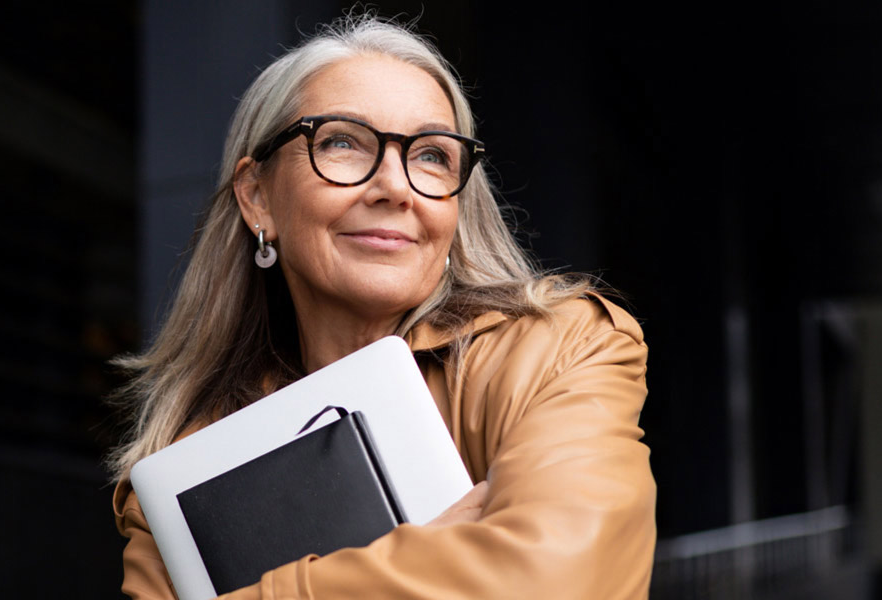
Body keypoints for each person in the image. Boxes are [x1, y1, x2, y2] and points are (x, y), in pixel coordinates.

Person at [108, 14, 655, 599]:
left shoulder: (562, 348)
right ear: (257, 196)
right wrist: (445, 554)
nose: (395, 186)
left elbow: (559, 584)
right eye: (341, 141)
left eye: (432, 156)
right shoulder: (177, 473)